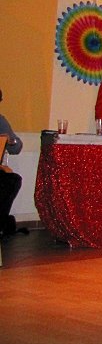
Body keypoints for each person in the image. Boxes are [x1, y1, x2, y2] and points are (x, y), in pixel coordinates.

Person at [0, 87, 27, 238]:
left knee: (13, 180)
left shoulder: (0, 121)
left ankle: (1, 223)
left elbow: (16, 148)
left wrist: (11, 141)